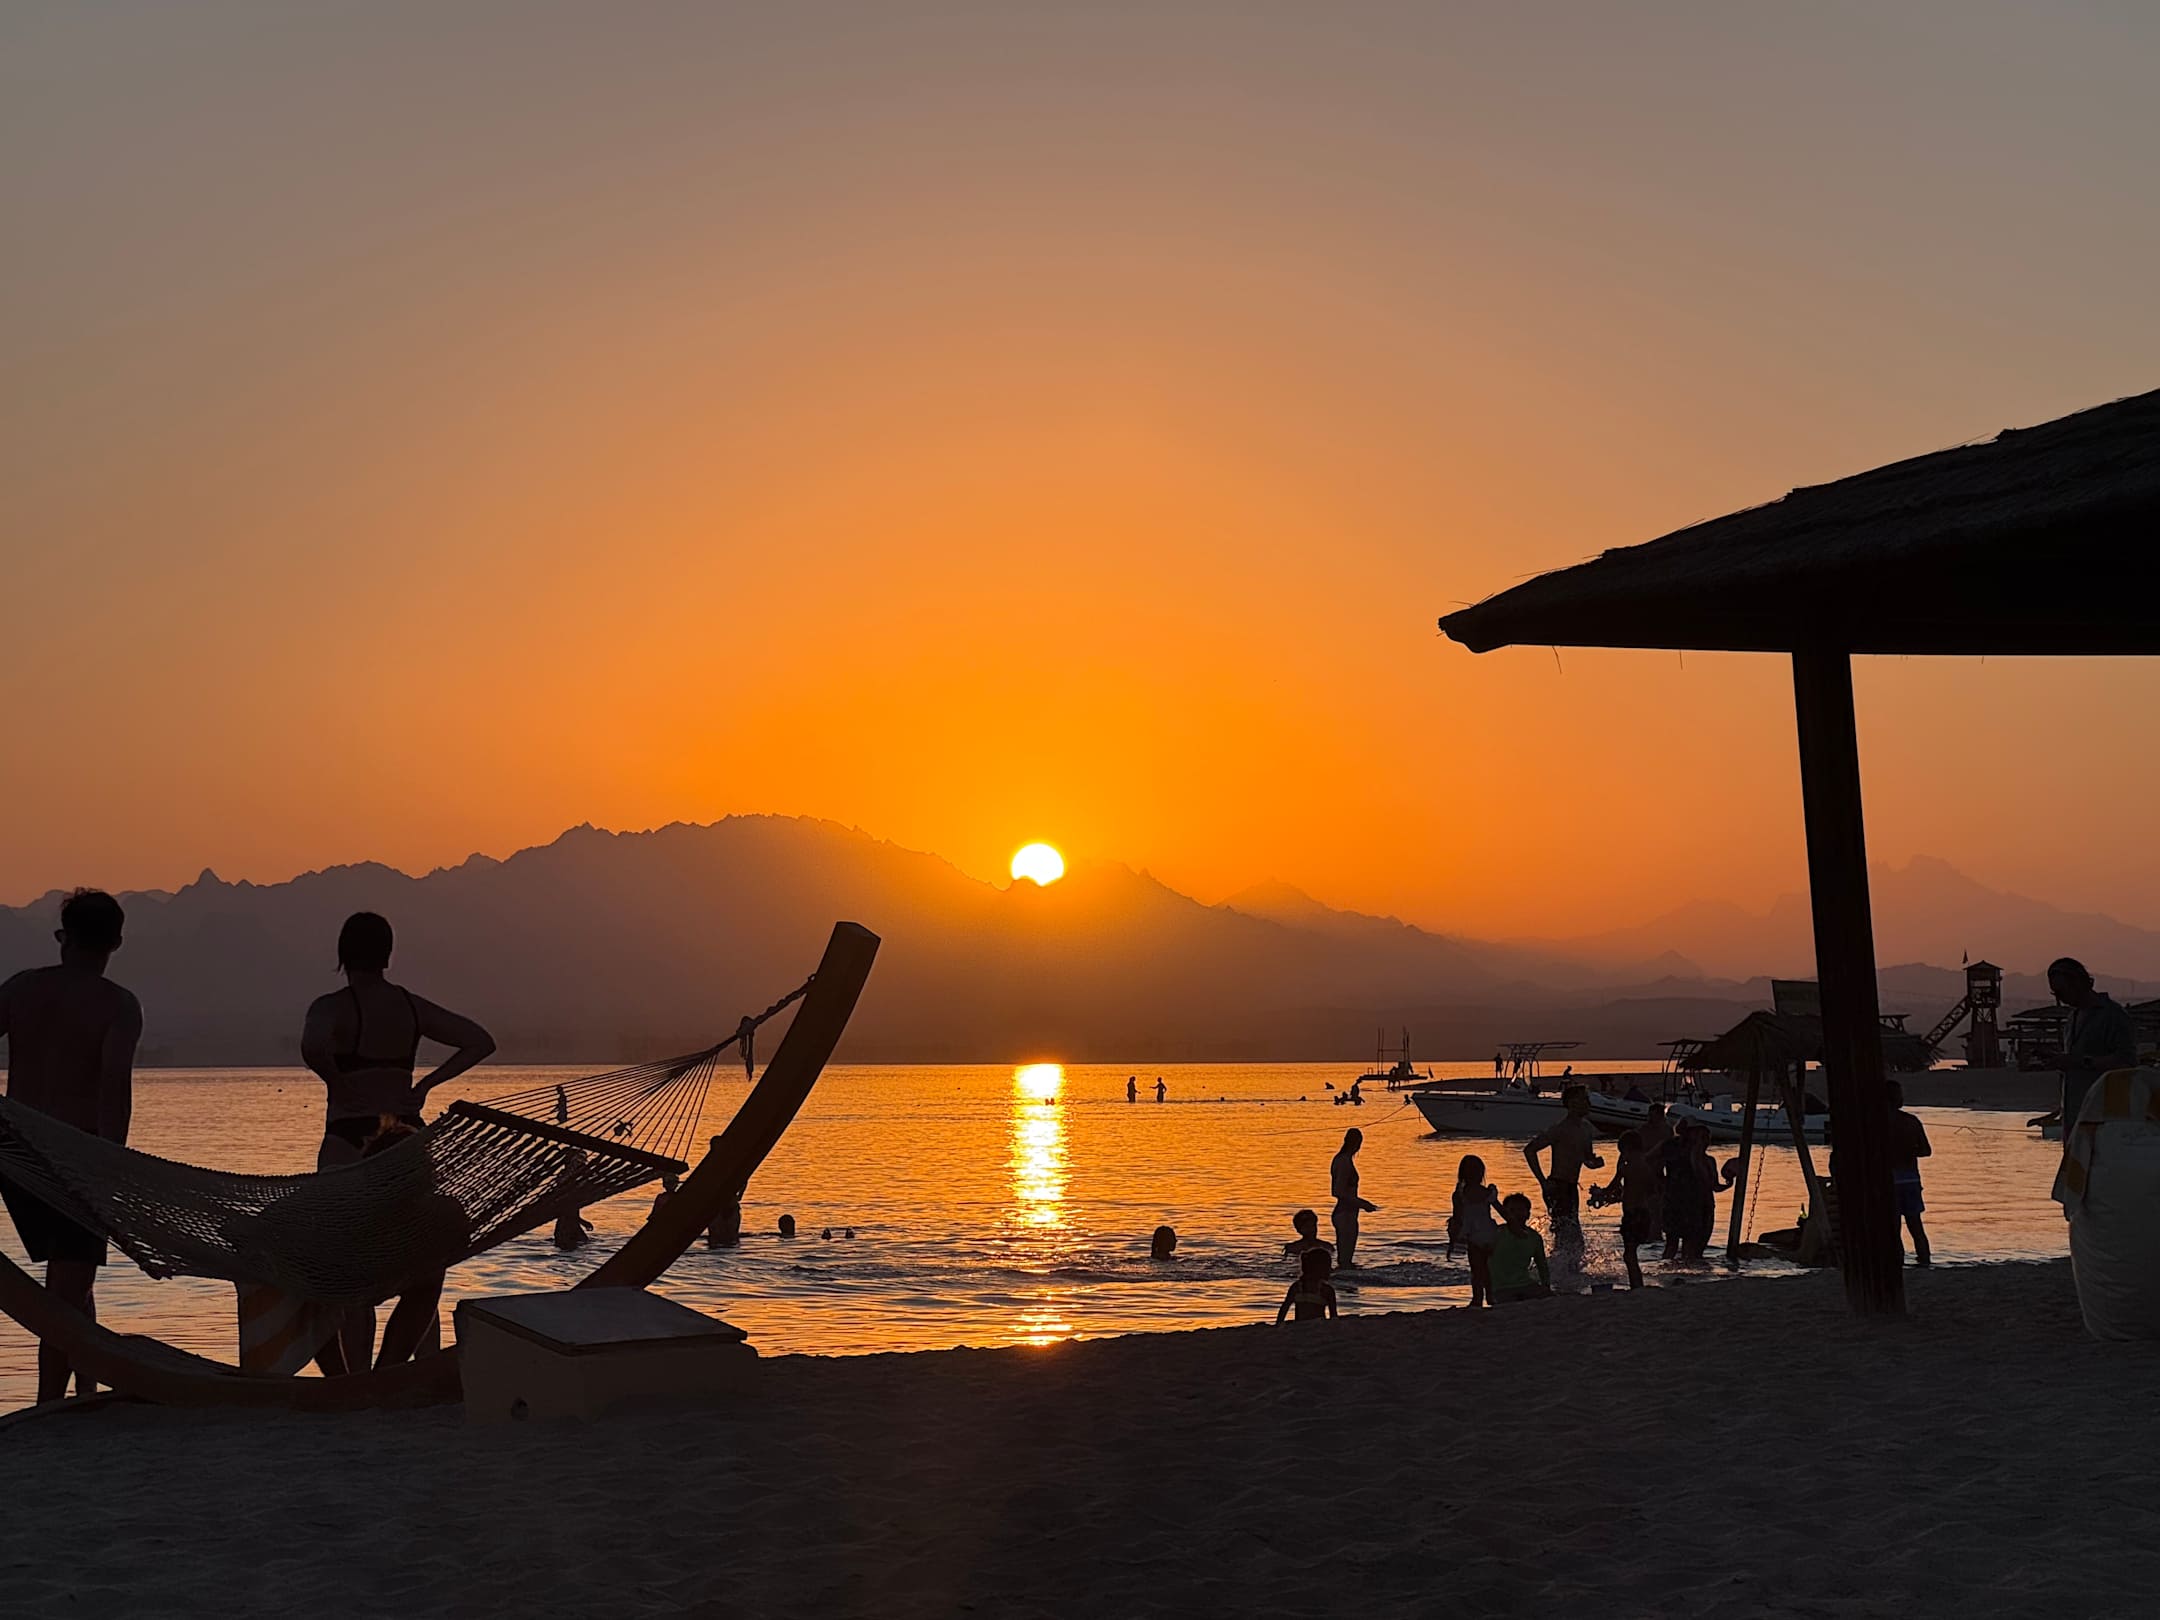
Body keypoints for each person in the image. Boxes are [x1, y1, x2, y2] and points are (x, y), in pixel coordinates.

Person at [299, 912, 494, 1375]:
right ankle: (393, 1370)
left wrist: (336, 1080)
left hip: (349, 1138)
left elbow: (312, 1045)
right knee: (419, 1256)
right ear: (387, 955)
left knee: (348, 1264)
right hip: (405, 1142)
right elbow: (478, 1041)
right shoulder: (410, 1007)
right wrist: (425, 1085)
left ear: (343, 955)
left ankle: (357, 1377)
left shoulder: (332, 1006)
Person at [0, 889, 142, 1403]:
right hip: (75, 1160)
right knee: (66, 1289)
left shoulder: (21, 989)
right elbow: (113, 1093)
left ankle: (85, 1385)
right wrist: (111, 1170)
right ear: (116, 943)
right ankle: (49, 1406)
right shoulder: (117, 1005)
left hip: (14, 1155)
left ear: (64, 938)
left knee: (73, 1279)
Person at [2035, 958, 2139, 1135]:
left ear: (2079, 982)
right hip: (2074, 1118)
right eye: (2055, 993)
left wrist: (2080, 1062)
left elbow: (2127, 1062)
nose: (2059, 999)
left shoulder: (2112, 1015)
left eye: (2061, 991)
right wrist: (2060, 1061)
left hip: (2104, 1119)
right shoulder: (2072, 1019)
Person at [1524, 1084, 1603, 1239]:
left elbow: (1587, 1159)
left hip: (1572, 1187)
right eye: (1584, 1100)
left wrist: (1595, 1163)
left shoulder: (1587, 1128)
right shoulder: (1560, 1129)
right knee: (1566, 1234)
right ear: (1572, 1104)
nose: (1588, 1104)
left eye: (1587, 1099)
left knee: (1573, 1234)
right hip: (1557, 1186)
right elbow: (1529, 1150)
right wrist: (1543, 1182)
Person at [1589, 1130, 1658, 1289]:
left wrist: (1598, 1192)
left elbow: (1611, 1189)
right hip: (1644, 1214)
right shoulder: (1647, 1168)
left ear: (1627, 1150)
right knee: (1631, 1253)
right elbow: (1646, 1193)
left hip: (1632, 1215)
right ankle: (1637, 1285)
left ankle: (1636, 1285)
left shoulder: (1626, 1168)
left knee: (1629, 1255)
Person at [1887, 1078, 1932, 1267]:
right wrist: (1909, 1151)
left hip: (1889, 1182)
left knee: (1893, 1229)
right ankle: (1925, 1262)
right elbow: (1926, 1151)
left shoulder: (1875, 1123)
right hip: (1910, 1180)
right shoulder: (1911, 1121)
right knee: (1916, 1226)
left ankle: (1896, 1263)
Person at [1449, 1154, 1501, 1307]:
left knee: (1477, 1269)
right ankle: (1490, 1296)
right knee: (1487, 1268)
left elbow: (1457, 1218)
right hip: (1489, 1232)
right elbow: (1501, 1210)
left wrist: (1453, 1239)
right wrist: (1513, 1224)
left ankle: (1477, 1298)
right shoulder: (1488, 1192)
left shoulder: (1459, 1195)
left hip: (1473, 1235)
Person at [1488, 1193, 1551, 1303]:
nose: (1516, 1214)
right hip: (1501, 1288)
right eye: (1512, 1210)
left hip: (1526, 1284)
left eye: (1521, 1210)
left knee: (1551, 1298)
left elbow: (1542, 1265)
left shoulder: (1534, 1237)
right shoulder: (1497, 1232)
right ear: (1505, 1214)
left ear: (1528, 1214)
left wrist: (1546, 1286)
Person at [1330, 1127, 1378, 1267]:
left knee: (1346, 1259)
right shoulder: (1343, 1161)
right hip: (1345, 1214)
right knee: (1345, 1260)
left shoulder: (1343, 1160)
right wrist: (1362, 1204)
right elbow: (1338, 1191)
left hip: (1349, 1213)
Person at [1275, 1245, 1338, 1324]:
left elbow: (1283, 1310)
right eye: (1328, 1267)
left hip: (1301, 1326)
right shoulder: (1326, 1290)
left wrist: (1278, 1325)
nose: (1330, 1270)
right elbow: (1333, 1317)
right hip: (1318, 1327)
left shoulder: (1296, 1287)